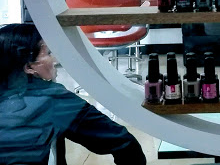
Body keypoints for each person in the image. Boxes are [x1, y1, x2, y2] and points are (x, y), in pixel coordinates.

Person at [0, 23, 147, 165]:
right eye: (49, 53)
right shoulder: (52, 99)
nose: (55, 60)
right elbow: (124, 143)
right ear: (29, 67)